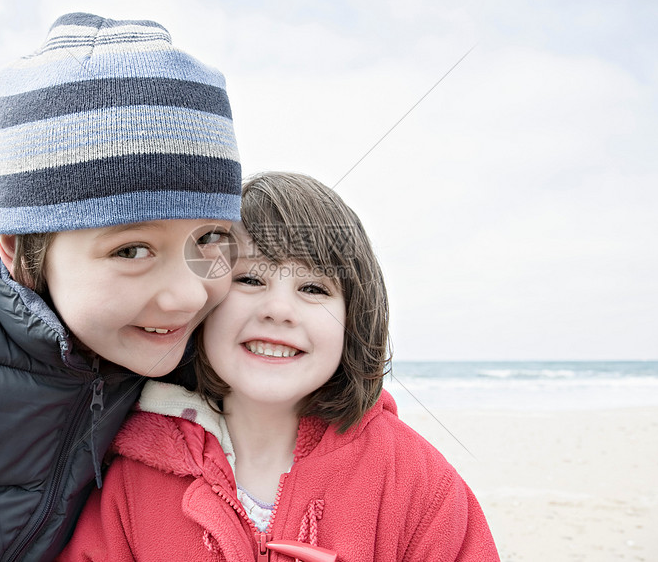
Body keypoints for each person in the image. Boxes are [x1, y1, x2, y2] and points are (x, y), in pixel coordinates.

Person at [0, 12, 241, 561]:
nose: (187, 295)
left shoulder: (190, 343)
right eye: (131, 250)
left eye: (208, 239)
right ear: (18, 248)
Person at [59, 172, 500, 561]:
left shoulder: (415, 480)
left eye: (313, 287)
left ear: (355, 320)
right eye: (249, 280)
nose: (279, 310)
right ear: (202, 301)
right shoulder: (134, 474)